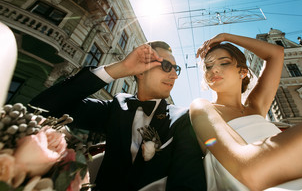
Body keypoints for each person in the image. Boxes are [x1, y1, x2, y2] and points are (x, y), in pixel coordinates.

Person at [189, 33, 302, 191]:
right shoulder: (203, 107)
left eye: (224, 62)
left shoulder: (255, 106)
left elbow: (276, 54)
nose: (213, 70)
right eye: (208, 66)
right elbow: (246, 170)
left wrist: (227, 37)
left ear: (243, 71)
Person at [29, 41, 206, 191]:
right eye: (167, 66)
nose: (174, 75)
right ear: (140, 71)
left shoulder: (183, 118)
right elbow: (43, 107)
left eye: (177, 69)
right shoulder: (117, 108)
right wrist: (120, 69)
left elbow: (188, 184)